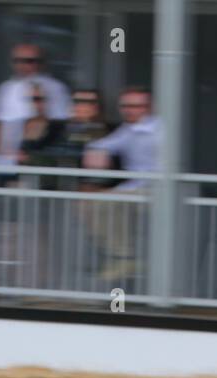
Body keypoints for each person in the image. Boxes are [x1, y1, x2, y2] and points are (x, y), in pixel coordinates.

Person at [81, 86, 159, 282]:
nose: (129, 110)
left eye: (137, 106)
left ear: (149, 107)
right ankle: (123, 257)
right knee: (86, 203)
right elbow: (102, 145)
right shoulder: (129, 129)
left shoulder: (161, 130)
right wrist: (95, 153)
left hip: (157, 190)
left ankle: (125, 257)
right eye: (125, 105)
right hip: (135, 188)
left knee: (102, 203)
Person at [0, 43, 69, 168]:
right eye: (18, 61)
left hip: (41, 156)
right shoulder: (6, 88)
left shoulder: (55, 88)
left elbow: (61, 125)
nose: (23, 65)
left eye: (30, 61)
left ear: (41, 63)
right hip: (8, 158)